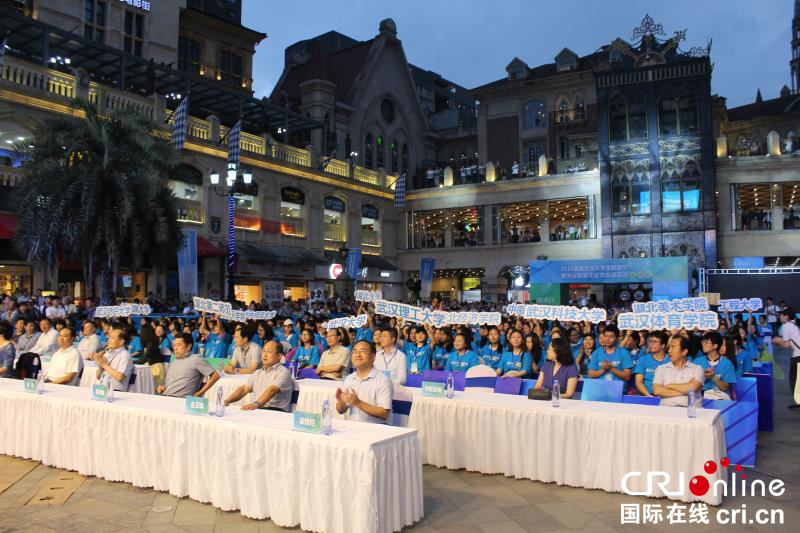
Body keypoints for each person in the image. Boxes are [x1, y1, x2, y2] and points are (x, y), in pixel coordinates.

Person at [335, 340, 393, 424]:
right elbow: (340, 411)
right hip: (353, 427)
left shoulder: (383, 380)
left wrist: (358, 403)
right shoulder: (349, 378)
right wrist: (341, 402)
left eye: (362, 351)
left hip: (377, 429)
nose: (358, 355)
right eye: (355, 351)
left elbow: (384, 413)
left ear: (373, 356)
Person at [224, 341, 293, 411]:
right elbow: (244, 389)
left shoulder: (283, 372)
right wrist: (227, 401)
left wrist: (256, 404)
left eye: (269, 352)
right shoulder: (258, 372)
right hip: (258, 409)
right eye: (263, 351)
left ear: (279, 356)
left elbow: (272, 390)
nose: (265, 355)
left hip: (275, 411)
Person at [158, 333, 220, 397]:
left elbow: (215, 376)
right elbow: (168, 384)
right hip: (165, 396)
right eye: (174, 346)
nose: (175, 348)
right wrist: (162, 387)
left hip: (181, 400)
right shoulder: (173, 362)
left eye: (179, 345)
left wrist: (199, 393)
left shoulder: (196, 359)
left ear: (188, 346)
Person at [653, 336, 704, 408]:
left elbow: (693, 387)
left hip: (691, 412)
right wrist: (686, 390)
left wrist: (668, 385)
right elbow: (657, 390)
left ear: (684, 352)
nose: (669, 351)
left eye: (673, 347)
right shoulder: (661, 368)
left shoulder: (697, 369)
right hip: (667, 411)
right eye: (669, 347)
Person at [694, 331, 737, 401]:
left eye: (706, 342)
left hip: (721, 397)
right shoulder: (697, 361)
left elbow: (725, 388)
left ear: (715, 346)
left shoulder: (727, 363)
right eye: (703, 342)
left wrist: (713, 377)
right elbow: (691, 383)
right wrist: (701, 375)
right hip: (702, 396)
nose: (703, 344)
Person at [771, 308, 800, 409]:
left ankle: (799, 402)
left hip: (797, 356)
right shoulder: (794, 324)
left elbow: (786, 345)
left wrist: (777, 340)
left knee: (794, 380)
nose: (779, 317)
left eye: (781, 315)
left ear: (786, 316)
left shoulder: (787, 326)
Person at [92, 325, 133, 391]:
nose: (109, 340)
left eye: (112, 338)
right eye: (109, 338)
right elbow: (98, 376)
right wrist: (100, 364)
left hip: (116, 391)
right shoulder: (107, 352)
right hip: (102, 388)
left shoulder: (125, 355)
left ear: (121, 342)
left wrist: (104, 365)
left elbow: (120, 377)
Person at [634, 331, 670, 396]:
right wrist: (648, 395)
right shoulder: (643, 359)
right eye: (651, 342)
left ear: (663, 345)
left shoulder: (670, 360)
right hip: (646, 395)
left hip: (665, 395)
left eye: (655, 342)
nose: (651, 344)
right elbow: (639, 382)